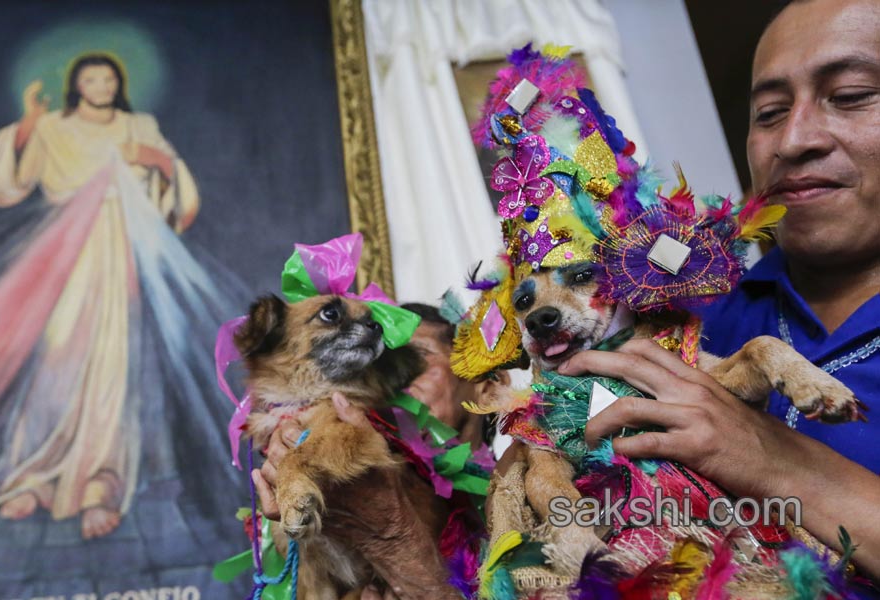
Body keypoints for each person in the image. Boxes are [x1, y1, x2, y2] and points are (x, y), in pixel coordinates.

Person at [558, 0, 880, 579]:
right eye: (770, 111)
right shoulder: (689, 316)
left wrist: (772, 458)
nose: (794, 139)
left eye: (852, 94)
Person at [0, 53, 229, 540]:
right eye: (91, 77)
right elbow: (3, 182)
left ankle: (99, 483)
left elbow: (173, 189)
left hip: (121, 259)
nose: (102, 84)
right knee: (54, 363)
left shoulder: (139, 125)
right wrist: (27, 123)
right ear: (76, 85)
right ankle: (29, 475)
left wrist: (160, 164)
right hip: (62, 258)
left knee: (113, 368)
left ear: (120, 83)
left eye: (109, 76)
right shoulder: (52, 127)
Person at [253, 302, 502, 599]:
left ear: (489, 384)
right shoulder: (344, 445)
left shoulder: (518, 497)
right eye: (379, 360)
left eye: (416, 358)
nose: (391, 379)